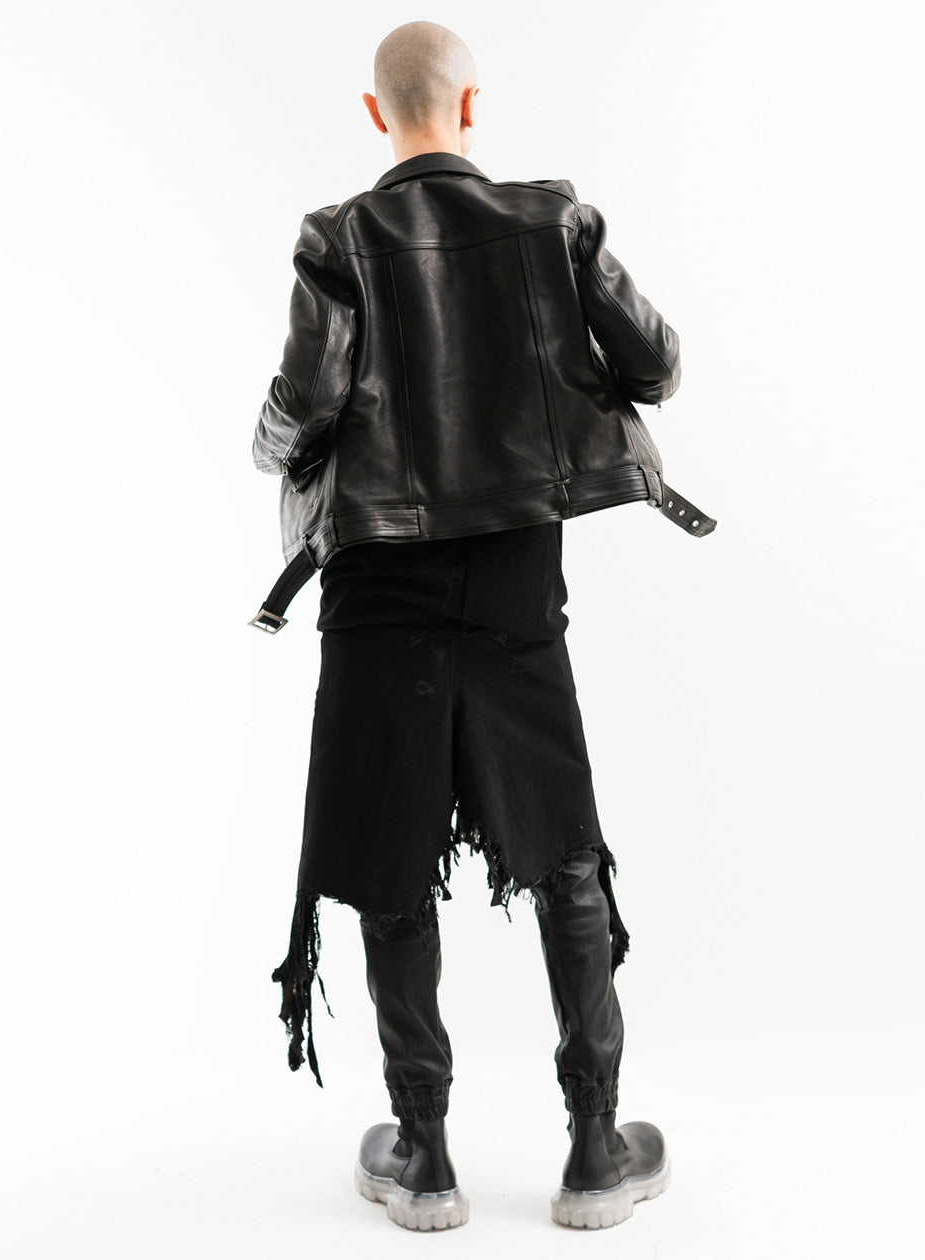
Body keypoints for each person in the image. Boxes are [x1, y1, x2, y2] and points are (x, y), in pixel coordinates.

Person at [251, 19, 714, 1233]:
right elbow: (656, 365)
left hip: (376, 590)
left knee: (391, 853)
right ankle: (595, 1149)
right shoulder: (551, 220)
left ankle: (423, 1153)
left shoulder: (338, 239)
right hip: (513, 580)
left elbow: (305, 405)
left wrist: (261, 444)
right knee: (562, 850)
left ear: (376, 114)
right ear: (469, 107)